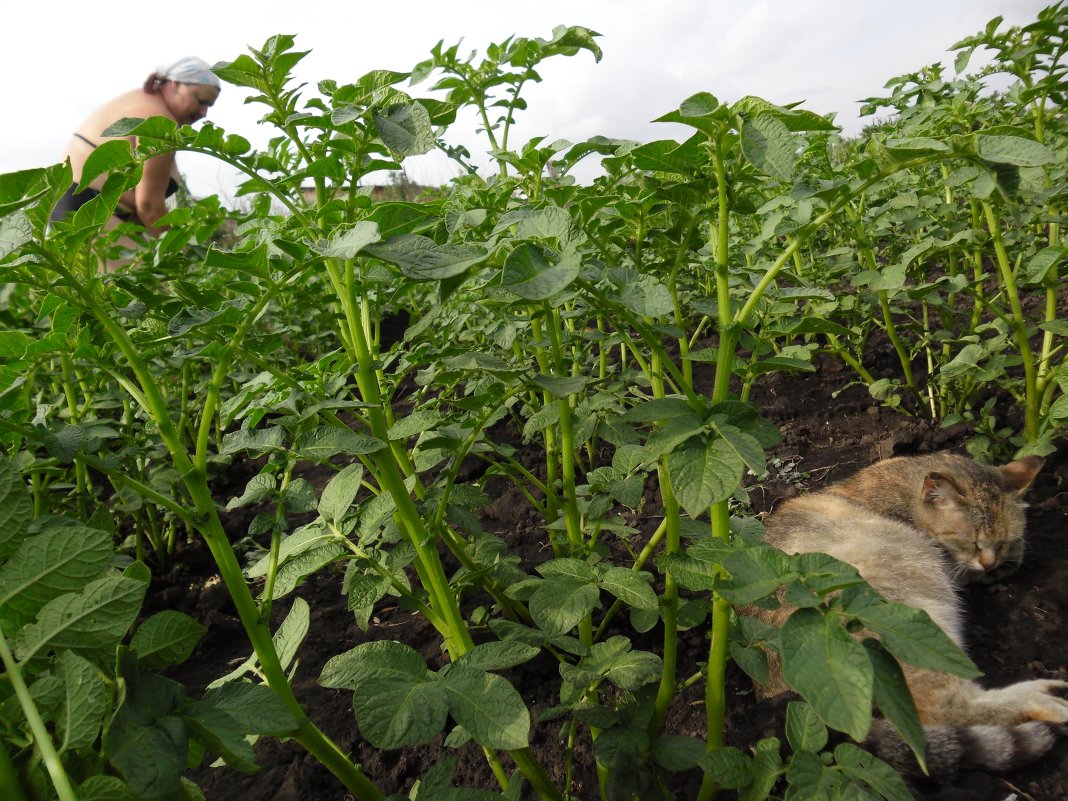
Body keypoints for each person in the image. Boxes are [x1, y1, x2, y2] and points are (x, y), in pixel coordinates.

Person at [51, 57, 221, 244]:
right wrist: (180, 251)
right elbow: (148, 206)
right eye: (200, 100)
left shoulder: (142, 102)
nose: (203, 112)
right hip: (90, 209)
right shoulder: (158, 120)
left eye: (209, 106)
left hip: (74, 204)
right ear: (174, 84)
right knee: (139, 273)